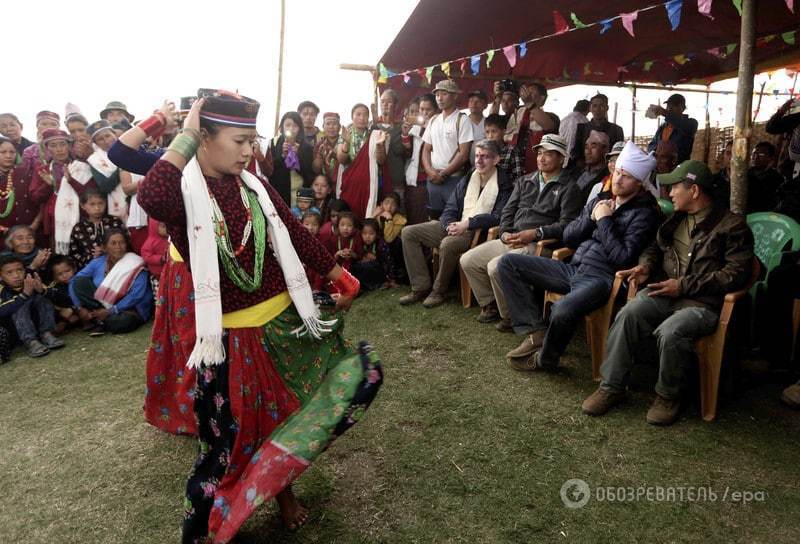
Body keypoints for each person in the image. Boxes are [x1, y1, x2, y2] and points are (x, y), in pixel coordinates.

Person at [136, 92, 382, 542]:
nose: (250, 152)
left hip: (282, 328)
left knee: (309, 406)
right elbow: (151, 192)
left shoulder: (256, 186)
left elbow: (292, 232)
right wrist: (185, 132)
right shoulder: (186, 196)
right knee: (224, 449)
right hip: (228, 346)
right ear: (204, 140)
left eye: (253, 140)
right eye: (240, 141)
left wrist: (338, 275)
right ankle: (212, 527)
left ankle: (283, 491)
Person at [582, 160, 754, 426]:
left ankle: (667, 396)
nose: (669, 193)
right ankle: (611, 387)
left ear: (694, 190)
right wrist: (645, 266)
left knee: (672, 330)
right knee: (628, 313)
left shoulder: (732, 227)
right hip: (667, 293)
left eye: (675, 187)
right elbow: (655, 247)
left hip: (703, 304)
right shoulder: (676, 219)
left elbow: (735, 275)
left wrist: (683, 286)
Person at [498, 141, 660, 371]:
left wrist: (605, 220)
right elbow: (569, 236)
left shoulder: (644, 213)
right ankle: (536, 332)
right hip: (574, 267)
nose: (618, 180)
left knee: (562, 309)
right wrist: (593, 216)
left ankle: (546, 360)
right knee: (508, 263)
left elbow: (621, 258)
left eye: (627, 177)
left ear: (639, 183)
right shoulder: (601, 199)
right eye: (618, 173)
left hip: (602, 278)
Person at [460, 134, 582, 328]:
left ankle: (510, 315)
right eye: (540, 153)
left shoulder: (570, 188)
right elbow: (507, 211)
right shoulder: (526, 180)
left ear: (561, 158)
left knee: (495, 266)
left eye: (548, 154)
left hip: (539, 243)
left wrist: (536, 233)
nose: (541, 158)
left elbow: (567, 225)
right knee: (468, 260)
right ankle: (491, 305)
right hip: (512, 238)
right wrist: (505, 233)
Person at [400, 139, 511, 308]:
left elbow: (498, 216)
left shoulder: (504, 183)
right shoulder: (469, 178)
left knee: (448, 244)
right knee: (409, 232)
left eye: (485, 157)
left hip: (477, 232)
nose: (479, 161)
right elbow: (450, 207)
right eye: (477, 156)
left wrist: (467, 224)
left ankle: (438, 291)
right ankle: (420, 287)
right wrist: (449, 225)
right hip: (455, 225)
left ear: (496, 160)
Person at [29, 128, 100, 253]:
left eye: (63, 144)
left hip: (82, 217)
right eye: (53, 145)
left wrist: (71, 180)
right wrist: (47, 185)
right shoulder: (43, 170)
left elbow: (93, 194)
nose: (59, 149)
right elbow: (35, 198)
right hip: (55, 221)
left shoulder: (82, 166)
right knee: (61, 257)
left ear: (69, 146)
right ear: (47, 148)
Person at [421, 80, 474, 219]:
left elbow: (464, 154)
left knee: (451, 220)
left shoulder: (462, 120)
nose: (439, 98)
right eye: (437, 94)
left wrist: (443, 174)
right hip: (433, 180)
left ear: (455, 96)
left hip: (453, 180)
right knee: (433, 218)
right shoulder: (433, 120)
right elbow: (426, 149)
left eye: (444, 94)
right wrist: (430, 171)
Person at [0, 254, 65, 358]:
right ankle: (31, 342)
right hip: (16, 332)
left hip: (38, 324)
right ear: (1, 275)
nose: (16, 275)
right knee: (19, 304)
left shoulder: (31, 279)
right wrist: (23, 295)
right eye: (9, 272)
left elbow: (63, 299)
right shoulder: (1, 289)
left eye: (19, 270)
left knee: (42, 299)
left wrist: (43, 291)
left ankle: (47, 334)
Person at [337, 103, 389, 219]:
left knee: (367, 215)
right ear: (352, 117)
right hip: (350, 183)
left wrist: (380, 145)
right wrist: (346, 142)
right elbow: (341, 159)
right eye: (358, 114)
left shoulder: (375, 135)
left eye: (365, 115)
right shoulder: (346, 134)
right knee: (349, 217)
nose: (362, 118)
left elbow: (381, 161)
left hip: (369, 185)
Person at [401, 94, 439, 225]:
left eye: (428, 110)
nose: (424, 113)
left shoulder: (439, 126)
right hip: (414, 180)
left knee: (427, 219)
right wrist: (405, 134)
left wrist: (423, 125)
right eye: (421, 110)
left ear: (437, 110)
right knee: (413, 217)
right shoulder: (415, 128)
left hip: (432, 179)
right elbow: (408, 153)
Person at [263, 111, 316, 205]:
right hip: (278, 191)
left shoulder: (306, 147)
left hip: (299, 193)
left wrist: (297, 156)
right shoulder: (273, 143)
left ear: (300, 128)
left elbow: (308, 173)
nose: (291, 128)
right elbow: (270, 170)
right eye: (288, 125)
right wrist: (283, 155)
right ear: (282, 127)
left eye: (295, 125)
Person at [505, 82, 557, 174]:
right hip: (515, 166)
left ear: (542, 98)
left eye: (531, 93)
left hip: (537, 167)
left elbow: (548, 126)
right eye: (526, 92)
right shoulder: (518, 113)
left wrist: (530, 104)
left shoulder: (550, 116)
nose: (527, 95)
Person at [68, 189, 127, 270]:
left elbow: (126, 243)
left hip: (118, 266)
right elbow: (74, 255)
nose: (97, 208)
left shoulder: (114, 222)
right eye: (92, 204)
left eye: (101, 203)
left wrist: (109, 250)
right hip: (91, 270)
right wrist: (91, 257)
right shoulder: (79, 228)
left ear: (106, 203)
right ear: (83, 206)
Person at [0, 137, 42, 249]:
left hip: (32, 234)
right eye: (3, 152)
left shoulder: (26, 173)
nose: (8, 156)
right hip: (3, 237)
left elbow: (41, 201)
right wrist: (5, 230)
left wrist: (34, 225)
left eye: (12, 152)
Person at [86, 120, 129, 222]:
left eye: (108, 135)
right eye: (100, 139)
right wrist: (121, 167)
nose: (106, 141)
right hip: (118, 204)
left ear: (115, 134)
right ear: (96, 143)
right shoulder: (95, 160)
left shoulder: (129, 147)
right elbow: (104, 187)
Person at [571, 94, 624, 167]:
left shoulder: (616, 130)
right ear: (590, 108)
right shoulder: (582, 128)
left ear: (607, 108)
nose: (598, 109)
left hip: (607, 170)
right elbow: (576, 152)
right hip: (585, 170)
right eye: (594, 106)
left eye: (601, 106)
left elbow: (619, 153)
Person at [646, 93, 698, 163]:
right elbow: (651, 145)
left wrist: (664, 112)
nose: (670, 108)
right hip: (660, 166)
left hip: (678, 167)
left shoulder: (691, 123)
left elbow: (682, 124)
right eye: (668, 105)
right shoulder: (663, 126)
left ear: (683, 108)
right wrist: (657, 152)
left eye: (674, 105)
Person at [351, 218, 395, 291]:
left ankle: (380, 283)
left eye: (371, 234)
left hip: (379, 269)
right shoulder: (359, 243)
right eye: (364, 233)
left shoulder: (381, 244)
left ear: (377, 234)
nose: (367, 236)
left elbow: (388, 262)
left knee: (369, 266)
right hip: (364, 268)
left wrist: (391, 279)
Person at [483, 114, 524, 185]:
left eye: (494, 131)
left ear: (503, 131)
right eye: (487, 132)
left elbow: (519, 179)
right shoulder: (483, 152)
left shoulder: (512, 151)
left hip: (507, 191)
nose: (490, 136)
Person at [746, 141, 784, 214]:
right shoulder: (745, 175)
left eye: (761, 155)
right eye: (754, 154)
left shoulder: (777, 179)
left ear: (771, 158)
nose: (755, 157)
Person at [573, 130, 609, 203]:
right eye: (586, 147)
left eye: (593, 147)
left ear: (605, 149)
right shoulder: (576, 172)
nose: (588, 151)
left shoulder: (607, 178)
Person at [313, 113, 343, 189]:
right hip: (324, 185)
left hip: (342, 182)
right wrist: (319, 156)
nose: (331, 127)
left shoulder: (345, 142)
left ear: (339, 127)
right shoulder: (319, 144)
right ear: (323, 127)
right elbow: (316, 170)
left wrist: (336, 156)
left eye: (334, 124)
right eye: (328, 124)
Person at [140, 219, 169, 296]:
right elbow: (146, 256)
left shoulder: (169, 239)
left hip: (169, 273)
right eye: (163, 226)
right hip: (157, 275)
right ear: (154, 227)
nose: (167, 229)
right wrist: (160, 258)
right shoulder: (151, 242)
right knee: (159, 295)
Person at [559, 99, 591, 165]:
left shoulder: (564, 119)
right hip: (575, 157)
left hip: (562, 154)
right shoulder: (584, 121)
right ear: (587, 109)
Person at [467, 90, 487, 165]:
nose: (474, 104)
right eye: (471, 101)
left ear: (485, 105)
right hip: (465, 164)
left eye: (478, 101)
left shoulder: (488, 123)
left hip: (484, 163)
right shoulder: (462, 123)